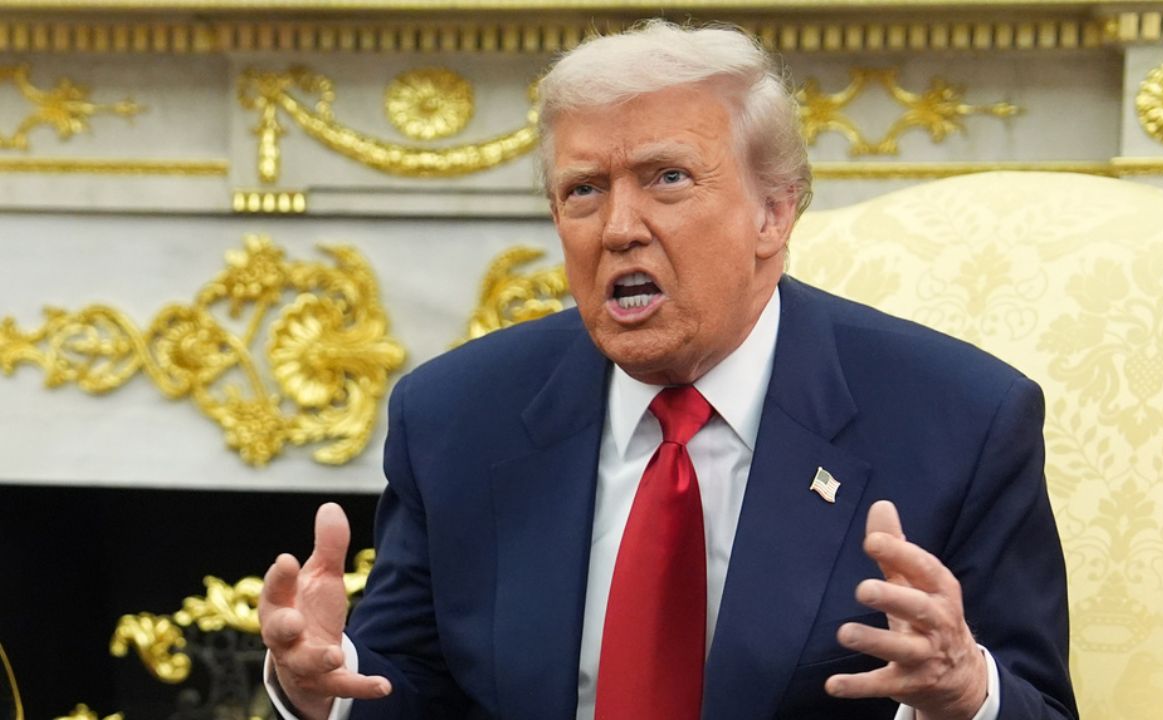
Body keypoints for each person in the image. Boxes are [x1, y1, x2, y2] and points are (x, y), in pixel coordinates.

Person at [259, 20, 1077, 720]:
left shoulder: (960, 421)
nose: (619, 228)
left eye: (668, 178)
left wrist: (968, 690)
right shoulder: (454, 418)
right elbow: (406, 686)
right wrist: (317, 690)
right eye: (583, 191)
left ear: (774, 211)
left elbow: (1037, 704)